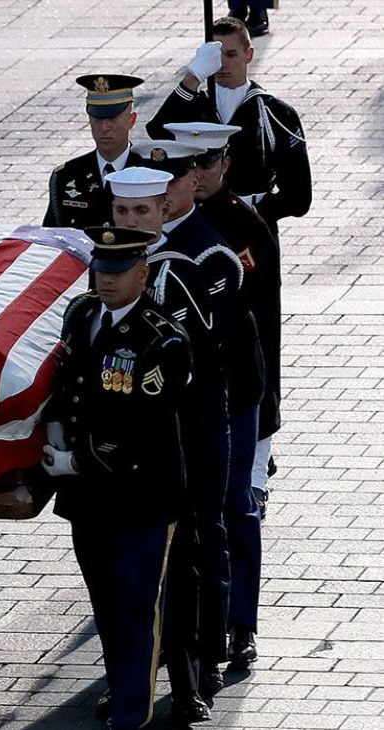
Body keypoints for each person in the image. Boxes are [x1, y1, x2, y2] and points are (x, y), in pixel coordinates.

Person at [42, 226, 192, 730]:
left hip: (140, 494)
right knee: (105, 602)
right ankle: (121, 687)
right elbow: (67, 382)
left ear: (143, 274)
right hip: (89, 498)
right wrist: (56, 425)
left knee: (135, 605)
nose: (106, 280)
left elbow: (142, 424)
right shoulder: (82, 314)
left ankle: (133, 711)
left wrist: (78, 459)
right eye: (100, 270)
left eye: (119, 271)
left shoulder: (162, 338)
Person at [106, 166, 220, 724]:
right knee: (123, 587)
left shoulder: (186, 270)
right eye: (122, 213)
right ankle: (126, 679)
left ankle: (186, 680)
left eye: (142, 213)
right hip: (117, 457)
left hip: (179, 444)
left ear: (164, 209)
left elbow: (205, 365)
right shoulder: (102, 273)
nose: (132, 223)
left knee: (180, 573)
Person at [165, 121, 276, 666]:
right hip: (175, 402)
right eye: (190, 169)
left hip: (234, 394)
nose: (197, 177)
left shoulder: (239, 224)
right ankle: (188, 629)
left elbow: (263, 322)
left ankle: (240, 623)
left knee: (234, 507)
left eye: (203, 166)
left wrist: (268, 412)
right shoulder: (151, 231)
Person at [146, 18, 310, 238]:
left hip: (252, 227)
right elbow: (158, 131)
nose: (222, 64)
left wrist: (252, 213)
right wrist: (193, 77)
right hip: (200, 226)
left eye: (231, 55)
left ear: (249, 55)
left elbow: (299, 197)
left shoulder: (276, 113)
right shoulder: (193, 107)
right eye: (215, 57)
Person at [44, 74, 146, 229]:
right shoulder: (67, 175)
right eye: (98, 119)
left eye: (112, 118)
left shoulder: (148, 170)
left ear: (131, 120)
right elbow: (51, 236)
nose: (104, 128)